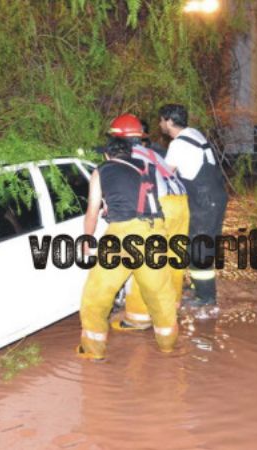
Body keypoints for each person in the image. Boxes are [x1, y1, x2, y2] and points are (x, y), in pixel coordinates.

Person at [77, 138, 178, 360]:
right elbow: (156, 202)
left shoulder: (102, 170)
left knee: (97, 295)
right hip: (154, 234)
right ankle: (168, 347)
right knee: (160, 295)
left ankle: (93, 352)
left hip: (122, 236)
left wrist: (87, 239)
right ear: (130, 153)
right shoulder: (147, 167)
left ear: (107, 155)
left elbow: (92, 211)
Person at [106, 114, 189, 331]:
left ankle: (139, 318)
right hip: (181, 203)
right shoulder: (151, 153)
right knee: (174, 258)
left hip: (161, 207)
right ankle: (171, 310)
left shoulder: (126, 157)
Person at [159, 104, 228, 310]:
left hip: (204, 201)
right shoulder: (194, 134)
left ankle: (206, 297)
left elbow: (165, 174)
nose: (160, 124)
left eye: (161, 120)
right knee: (197, 244)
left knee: (200, 247)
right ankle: (199, 286)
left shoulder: (178, 144)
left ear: (169, 121)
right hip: (213, 197)